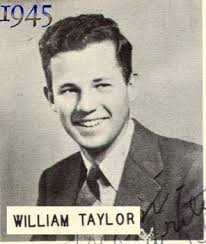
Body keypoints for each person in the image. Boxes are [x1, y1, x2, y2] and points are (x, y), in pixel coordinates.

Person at [32, 14, 203, 241]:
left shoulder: (194, 169)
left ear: (130, 86)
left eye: (102, 85)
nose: (85, 105)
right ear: (51, 98)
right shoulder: (54, 179)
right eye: (69, 90)